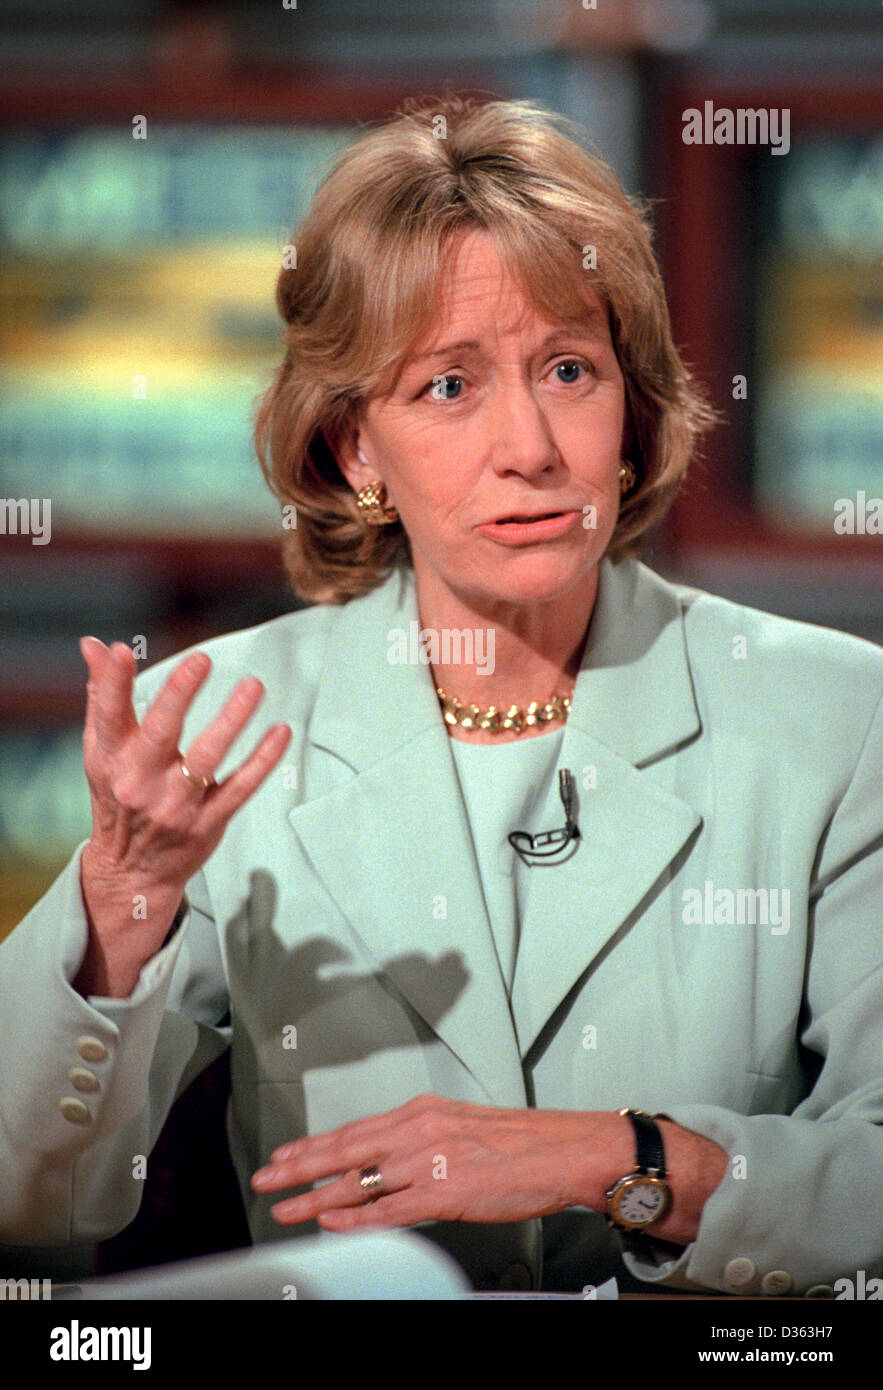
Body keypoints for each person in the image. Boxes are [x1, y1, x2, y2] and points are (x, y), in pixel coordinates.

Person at [1, 94, 881, 1298]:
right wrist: (120, 908)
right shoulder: (220, 725)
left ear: (629, 410)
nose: (529, 443)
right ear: (355, 448)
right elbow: (29, 1197)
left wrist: (619, 1159)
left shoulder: (836, 718)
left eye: (568, 369)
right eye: (449, 387)